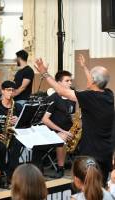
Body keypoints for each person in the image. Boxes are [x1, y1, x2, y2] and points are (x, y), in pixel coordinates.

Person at [34, 55, 114, 184]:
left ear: (93, 80)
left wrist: (44, 73)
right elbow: (94, 82)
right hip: (106, 152)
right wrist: (84, 67)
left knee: (88, 188)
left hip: (92, 154)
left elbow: (61, 91)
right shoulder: (109, 94)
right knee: (101, 187)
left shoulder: (89, 97)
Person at [41, 70, 76, 178]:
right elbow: (45, 119)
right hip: (56, 131)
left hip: (70, 129)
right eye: (67, 81)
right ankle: (61, 168)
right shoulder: (53, 98)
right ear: (59, 83)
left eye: (71, 80)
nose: (70, 83)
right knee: (62, 138)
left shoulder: (73, 97)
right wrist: (62, 131)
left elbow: (74, 115)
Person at [0, 80, 22, 181]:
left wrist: (18, 121)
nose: (10, 92)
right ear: (2, 91)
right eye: (8, 90)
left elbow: (24, 124)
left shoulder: (17, 107)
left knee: (17, 144)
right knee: (1, 147)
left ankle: (12, 174)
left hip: (11, 135)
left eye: (13, 90)